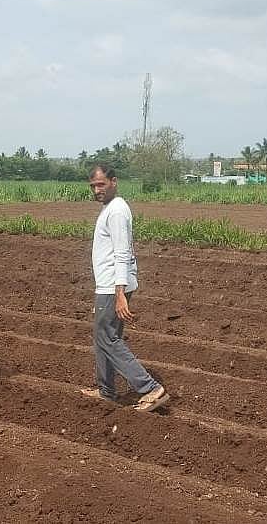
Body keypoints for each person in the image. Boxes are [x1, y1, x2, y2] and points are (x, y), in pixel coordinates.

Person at [80, 164, 169, 412]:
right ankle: (106, 390)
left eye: (101, 184)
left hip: (114, 285)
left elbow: (121, 254)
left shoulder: (117, 211)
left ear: (114, 182)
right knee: (103, 337)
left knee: (107, 337)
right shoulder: (111, 209)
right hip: (108, 285)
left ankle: (150, 388)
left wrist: (119, 294)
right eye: (93, 186)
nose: (97, 190)